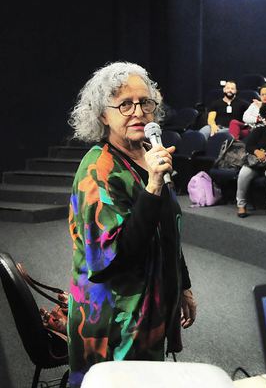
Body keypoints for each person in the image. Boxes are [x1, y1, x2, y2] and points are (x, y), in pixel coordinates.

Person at [66, 62, 197, 387]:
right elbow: (109, 259)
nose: (138, 111)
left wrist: (182, 285)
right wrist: (153, 187)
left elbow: (165, 228)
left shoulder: (150, 155)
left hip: (149, 311)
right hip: (114, 322)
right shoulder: (98, 170)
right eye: (125, 104)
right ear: (102, 115)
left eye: (145, 102)